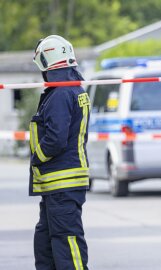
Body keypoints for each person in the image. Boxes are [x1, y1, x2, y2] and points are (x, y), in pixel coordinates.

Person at [31, 35, 90, 270]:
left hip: (61, 184)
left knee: (67, 245)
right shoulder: (72, 90)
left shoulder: (60, 94)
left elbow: (55, 139)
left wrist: (37, 157)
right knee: (45, 245)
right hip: (58, 186)